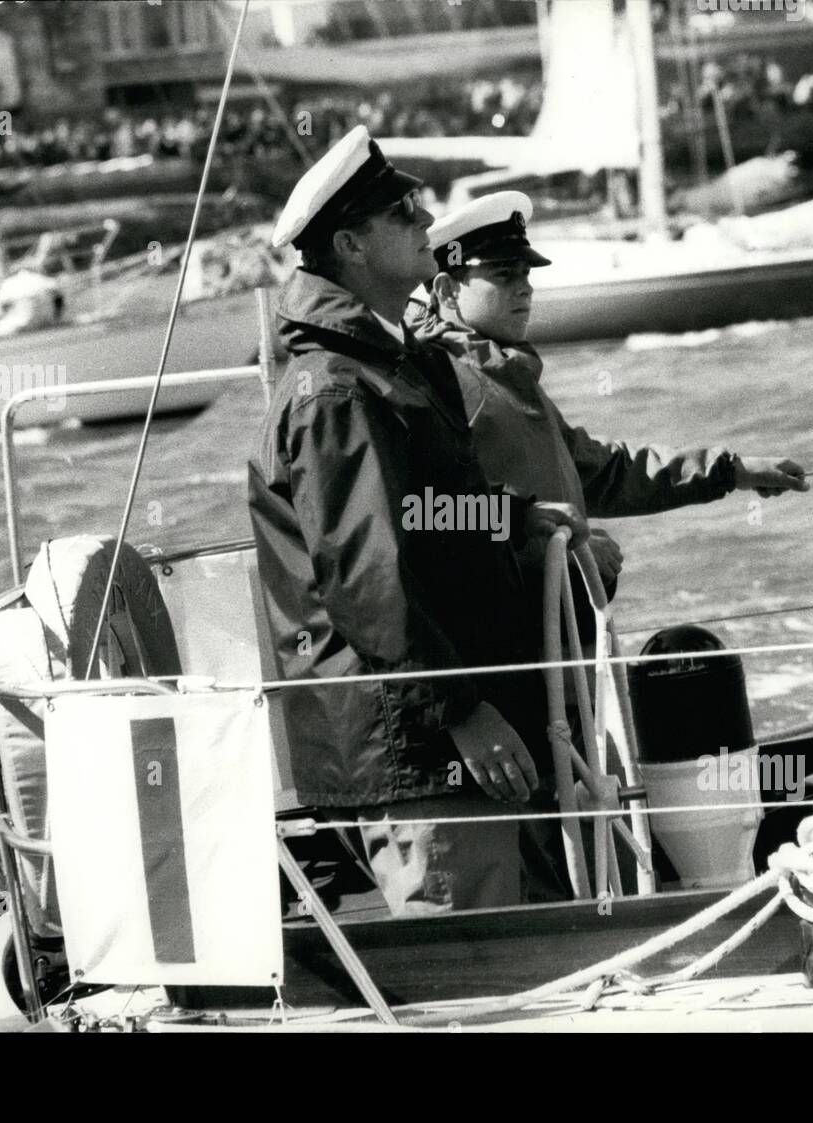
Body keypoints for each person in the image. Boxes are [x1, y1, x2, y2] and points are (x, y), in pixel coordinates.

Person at [409, 192, 809, 895]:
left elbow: (603, 470)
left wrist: (729, 471)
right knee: (553, 852)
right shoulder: (444, 383)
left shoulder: (505, 375)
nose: (524, 287)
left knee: (589, 832)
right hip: (509, 663)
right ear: (446, 287)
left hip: (556, 660)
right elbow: (433, 522)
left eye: (526, 273)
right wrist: (560, 553)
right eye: (502, 276)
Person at [247, 127, 586, 917]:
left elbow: (426, 516)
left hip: (449, 725)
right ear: (351, 244)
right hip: (420, 747)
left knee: (519, 949)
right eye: (403, 210)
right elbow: (370, 575)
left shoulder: (391, 365)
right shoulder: (334, 391)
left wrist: (520, 518)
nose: (424, 216)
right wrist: (459, 709)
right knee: (476, 967)